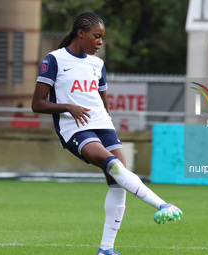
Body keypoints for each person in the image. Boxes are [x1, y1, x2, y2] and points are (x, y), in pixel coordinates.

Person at [31, 12, 182, 255]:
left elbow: (101, 99)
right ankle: (162, 204)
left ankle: (106, 250)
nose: (100, 42)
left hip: (102, 124)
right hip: (74, 128)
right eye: (97, 36)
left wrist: (108, 118)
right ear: (80, 33)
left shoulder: (97, 64)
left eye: (102, 37)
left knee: (118, 182)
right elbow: (37, 104)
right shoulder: (54, 60)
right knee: (113, 166)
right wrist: (68, 107)